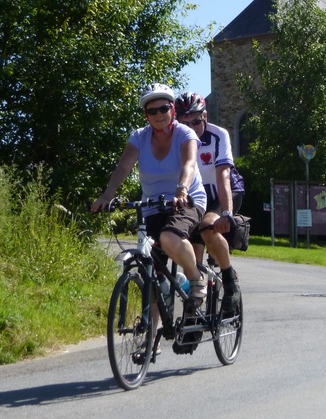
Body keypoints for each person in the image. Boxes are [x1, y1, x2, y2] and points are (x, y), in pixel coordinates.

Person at [91, 83, 208, 304]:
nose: (158, 115)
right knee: (152, 274)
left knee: (168, 237)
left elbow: (189, 164)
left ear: (172, 109)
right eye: (152, 111)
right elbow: (123, 167)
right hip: (153, 205)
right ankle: (150, 335)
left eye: (163, 108)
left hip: (187, 201)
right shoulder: (139, 137)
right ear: (146, 115)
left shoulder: (185, 133)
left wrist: (181, 189)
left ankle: (196, 279)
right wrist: (107, 196)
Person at [174, 91, 241, 313]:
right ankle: (193, 315)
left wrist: (227, 213)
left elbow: (223, 176)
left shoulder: (218, 135)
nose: (190, 127)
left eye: (195, 121)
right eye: (184, 123)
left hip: (222, 195)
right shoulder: (176, 140)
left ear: (205, 116)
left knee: (207, 228)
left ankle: (230, 281)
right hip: (195, 200)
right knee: (192, 255)